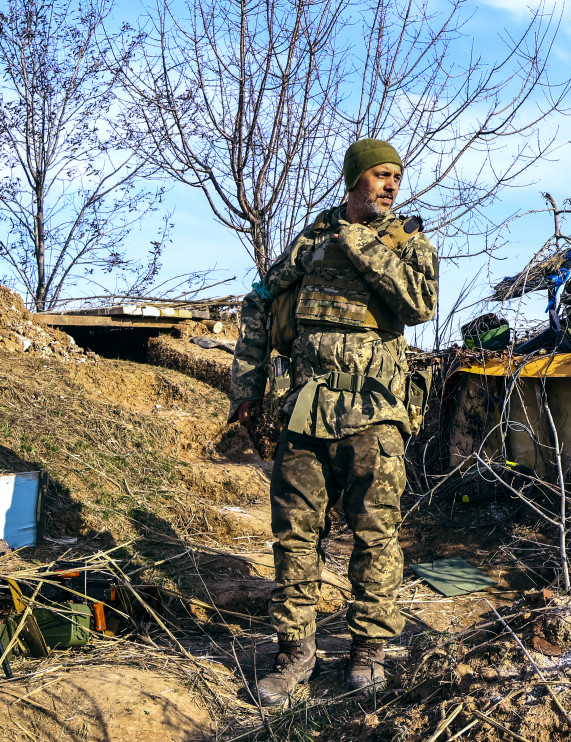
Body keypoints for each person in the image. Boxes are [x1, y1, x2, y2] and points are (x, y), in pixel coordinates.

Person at [229, 139, 438, 705]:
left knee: (376, 535)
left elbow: (419, 305)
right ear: (354, 180)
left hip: (375, 415)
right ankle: (294, 655)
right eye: (379, 174)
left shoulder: (409, 242)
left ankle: (367, 651)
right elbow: (257, 303)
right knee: (295, 536)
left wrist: (359, 238)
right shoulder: (308, 242)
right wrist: (246, 389)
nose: (391, 184)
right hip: (306, 411)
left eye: (397, 175)